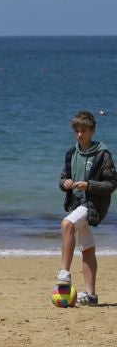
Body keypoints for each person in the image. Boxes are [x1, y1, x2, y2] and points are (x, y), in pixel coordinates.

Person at [56, 111, 112, 306]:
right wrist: (65, 184)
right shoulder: (72, 153)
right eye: (77, 131)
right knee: (87, 249)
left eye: (84, 131)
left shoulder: (102, 154)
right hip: (77, 204)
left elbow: (111, 184)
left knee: (67, 224)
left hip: (94, 205)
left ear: (93, 131)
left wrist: (89, 185)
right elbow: (62, 179)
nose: (80, 135)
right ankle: (91, 296)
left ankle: (64, 273)